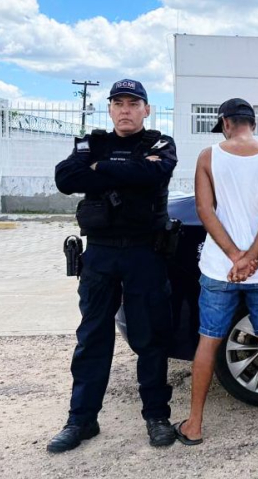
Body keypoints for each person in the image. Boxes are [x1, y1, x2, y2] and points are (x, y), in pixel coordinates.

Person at [49, 79, 178, 453]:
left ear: (146, 110)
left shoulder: (159, 143)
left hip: (145, 253)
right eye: (118, 103)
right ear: (109, 109)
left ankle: (156, 416)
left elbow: (154, 174)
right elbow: (66, 179)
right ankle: (81, 420)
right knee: (92, 337)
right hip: (100, 253)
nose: (125, 109)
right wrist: (126, 166)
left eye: (133, 103)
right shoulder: (93, 140)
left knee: (150, 338)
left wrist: (100, 167)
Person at [174, 98, 258, 445]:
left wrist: (234, 256)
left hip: (220, 268)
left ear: (226, 123)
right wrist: (252, 258)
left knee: (208, 340)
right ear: (252, 123)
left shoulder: (209, 156)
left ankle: (195, 425)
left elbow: (205, 209)